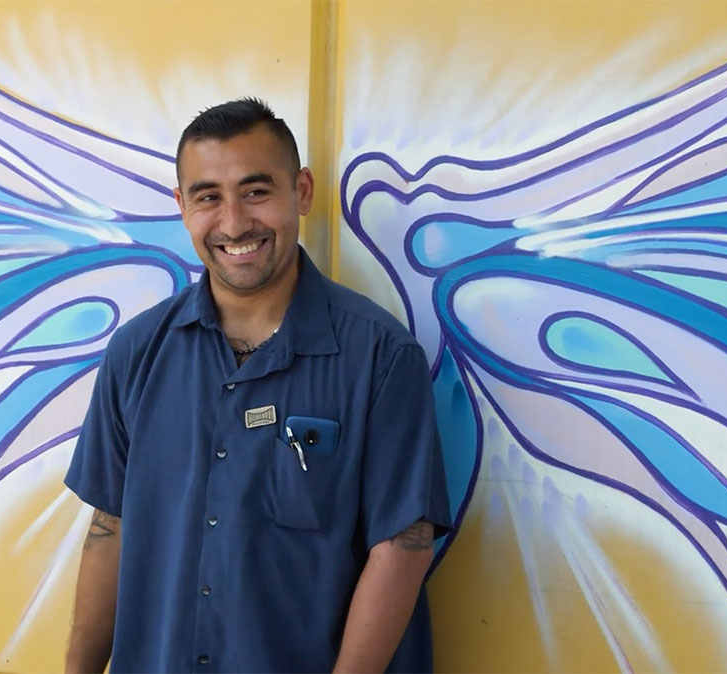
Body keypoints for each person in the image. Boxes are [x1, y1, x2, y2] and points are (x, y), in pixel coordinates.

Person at [64, 97, 451, 673]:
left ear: (301, 192)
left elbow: (404, 546)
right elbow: (109, 528)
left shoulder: (380, 355)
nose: (234, 223)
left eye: (256, 191)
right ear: (182, 206)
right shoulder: (137, 354)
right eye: (208, 197)